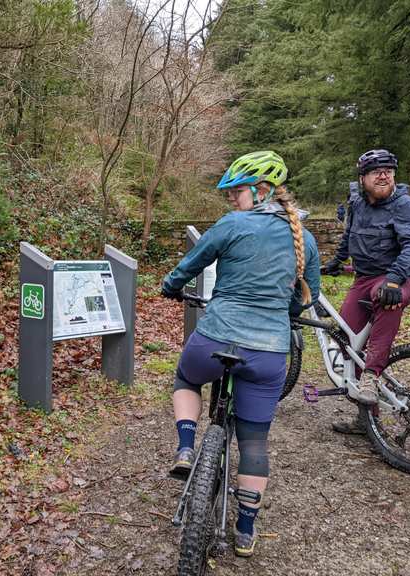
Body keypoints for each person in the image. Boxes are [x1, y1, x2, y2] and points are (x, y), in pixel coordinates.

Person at [160, 151, 320, 558]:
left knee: (186, 378)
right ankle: (246, 531)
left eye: (236, 191)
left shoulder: (232, 225)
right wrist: (283, 315)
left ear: (261, 190)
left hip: (214, 339)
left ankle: (186, 445)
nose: (231, 199)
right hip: (267, 353)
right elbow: (309, 296)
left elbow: (189, 265)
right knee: (254, 442)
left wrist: (171, 285)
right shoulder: (304, 237)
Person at [321, 149, 410, 431]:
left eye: (388, 171)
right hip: (365, 277)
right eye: (375, 171)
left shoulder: (404, 205)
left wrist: (394, 279)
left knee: (386, 298)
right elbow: (349, 236)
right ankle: (367, 420)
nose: (383, 175)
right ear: (362, 178)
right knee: (347, 340)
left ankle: (372, 374)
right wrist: (335, 262)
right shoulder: (357, 203)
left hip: (400, 276)